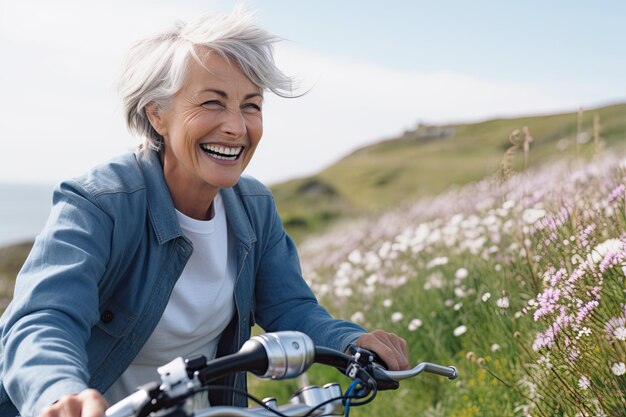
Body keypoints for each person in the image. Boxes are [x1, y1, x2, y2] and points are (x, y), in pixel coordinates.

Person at [0, 8, 409, 417]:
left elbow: (291, 308)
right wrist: (59, 393)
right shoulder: (100, 203)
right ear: (156, 115)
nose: (236, 126)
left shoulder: (255, 208)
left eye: (251, 105)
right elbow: (43, 318)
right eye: (213, 102)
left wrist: (349, 341)